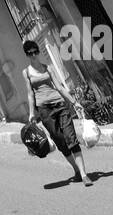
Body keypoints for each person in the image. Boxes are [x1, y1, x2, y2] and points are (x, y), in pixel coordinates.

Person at [22, 40, 92, 186]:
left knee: (71, 137)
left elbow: (59, 87)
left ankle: (84, 174)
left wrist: (74, 102)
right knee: (60, 141)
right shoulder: (27, 73)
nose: (34, 55)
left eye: (35, 51)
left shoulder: (48, 68)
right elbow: (30, 94)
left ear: (38, 51)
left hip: (59, 104)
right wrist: (31, 113)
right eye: (30, 53)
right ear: (27, 55)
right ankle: (76, 170)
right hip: (44, 110)